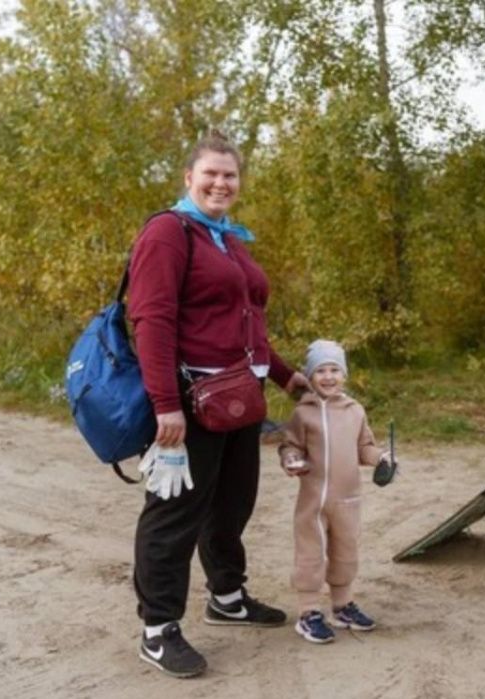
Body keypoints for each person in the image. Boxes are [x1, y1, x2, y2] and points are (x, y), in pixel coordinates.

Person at [127, 130, 310, 678]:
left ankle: (226, 598)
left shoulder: (226, 239)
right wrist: (165, 404)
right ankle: (159, 630)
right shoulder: (168, 233)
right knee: (174, 515)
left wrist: (286, 377)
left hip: (237, 400)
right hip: (189, 401)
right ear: (188, 178)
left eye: (230, 175)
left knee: (232, 505)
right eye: (210, 173)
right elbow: (152, 321)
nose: (220, 182)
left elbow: (246, 325)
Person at [278, 339, 393, 644]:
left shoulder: (355, 411)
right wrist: (291, 459)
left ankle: (342, 606)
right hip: (313, 503)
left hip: (348, 500)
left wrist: (381, 458)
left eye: (334, 370)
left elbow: (364, 447)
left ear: (344, 375)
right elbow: (290, 445)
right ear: (310, 376)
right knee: (310, 555)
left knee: (346, 551)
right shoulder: (303, 413)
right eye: (320, 371)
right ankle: (308, 612)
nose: (328, 377)